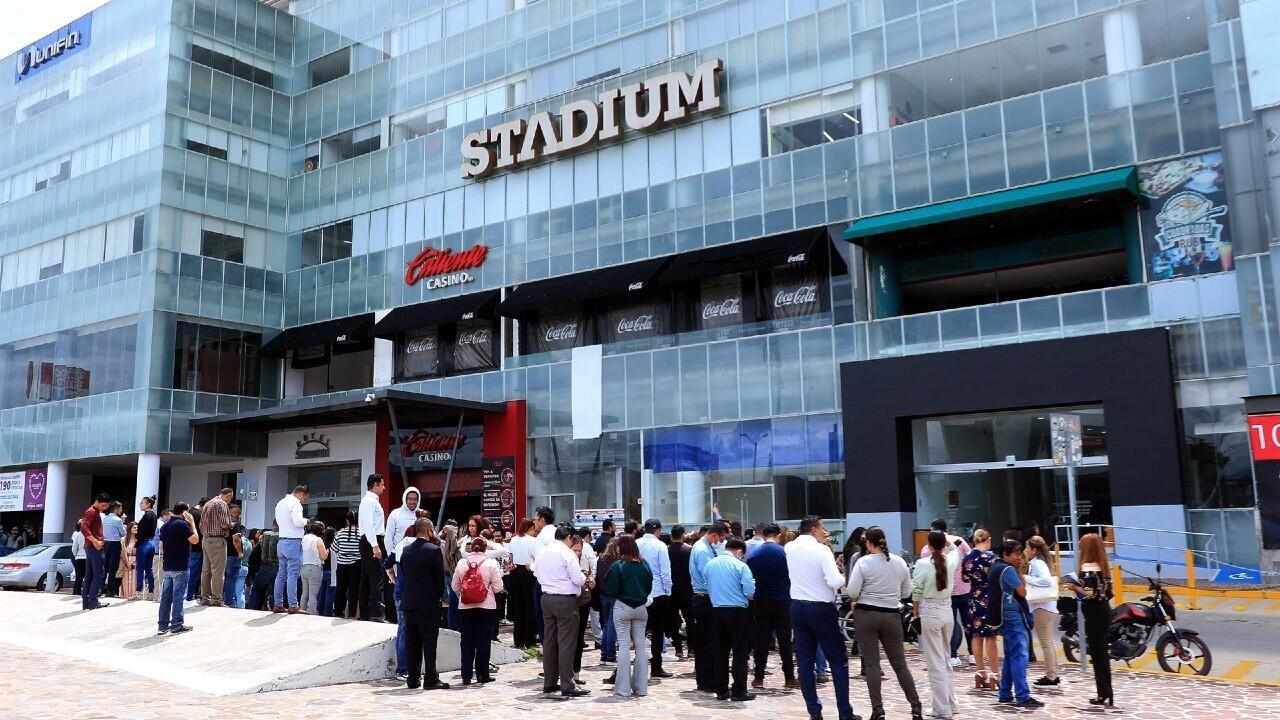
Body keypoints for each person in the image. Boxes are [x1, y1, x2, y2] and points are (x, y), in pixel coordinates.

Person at [786, 515, 860, 720]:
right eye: (822, 528)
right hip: (821, 607)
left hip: (798, 606)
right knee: (837, 659)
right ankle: (844, 711)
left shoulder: (789, 547)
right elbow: (834, 580)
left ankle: (814, 711)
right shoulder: (821, 550)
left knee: (805, 660)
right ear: (814, 530)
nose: (825, 531)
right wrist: (845, 576)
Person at [848, 526, 921, 720]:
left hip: (866, 614)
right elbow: (906, 592)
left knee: (872, 664)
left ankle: (878, 709)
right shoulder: (899, 562)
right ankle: (915, 705)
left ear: (868, 543)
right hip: (891, 615)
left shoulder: (863, 562)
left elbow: (852, 591)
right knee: (900, 664)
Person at [535, 524, 591, 698]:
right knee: (566, 642)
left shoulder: (543, 552)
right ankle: (567, 683)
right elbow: (578, 579)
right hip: (565, 600)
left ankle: (549, 682)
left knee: (550, 642)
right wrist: (586, 579)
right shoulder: (567, 553)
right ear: (568, 537)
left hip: (546, 597)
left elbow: (537, 574)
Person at [913, 531, 960, 720]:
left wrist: (915, 612)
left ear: (929, 545)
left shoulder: (922, 563)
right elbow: (956, 550)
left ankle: (942, 708)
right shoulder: (951, 560)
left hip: (930, 611)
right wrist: (948, 541)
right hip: (947, 609)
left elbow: (916, 590)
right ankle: (951, 704)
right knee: (945, 659)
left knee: (935, 663)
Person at [991, 538, 1042, 708]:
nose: (1019, 557)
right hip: (1013, 616)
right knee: (1020, 656)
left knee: (1010, 656)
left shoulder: (995, 567)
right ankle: (1022, 695)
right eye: (1016, 554)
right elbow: (1022, 591)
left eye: (1020, 554)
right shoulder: (1008, 570)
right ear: (1006, 554)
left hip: (1002, 616)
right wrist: (1019, 571)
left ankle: (1005, 692)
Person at [744, 523, 797, 690]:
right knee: (785, 640)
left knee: (761, 640)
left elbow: (750, 576)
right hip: (783, 600)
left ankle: (758, 677)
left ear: (763, 535)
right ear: (778, 535)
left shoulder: (754, 554)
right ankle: (789, 677)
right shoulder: (784, 553)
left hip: (761, 599)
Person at [399, 518, 449, 690]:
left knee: (412, 641)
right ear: (428, 530)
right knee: (429, 641)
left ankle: (413, 678)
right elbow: (439, 579)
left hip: (409, 601)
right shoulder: (434, 550)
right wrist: (440, 596)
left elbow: (403, 572)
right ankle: (430, 677)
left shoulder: (406, 550)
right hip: (428, 603)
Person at [1066, 533, 1114, 707]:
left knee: (1097, 654)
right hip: (1104, 610)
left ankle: (1103, 693)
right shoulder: (1103, 567)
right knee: (1103, 653)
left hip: (1093, 613)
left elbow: (1089, 592)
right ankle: (1107, 692)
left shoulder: (1088, 567)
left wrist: (1074, 587)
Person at [602, 533, 653, 698]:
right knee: (641, 647)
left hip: (623, 606)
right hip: (641, 608)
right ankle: (641, 687)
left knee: (624, 646)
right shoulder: (644, 564)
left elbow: (611, 588)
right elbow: (649, 585)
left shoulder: (619, 566)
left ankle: (623, 689)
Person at [706, 537, 756, 702]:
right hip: (737, 611)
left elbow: (707, 584)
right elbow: (749, 591)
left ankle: (721, 689)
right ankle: (739, 690)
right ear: (739, 551)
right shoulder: (740, 566)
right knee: (740, 652)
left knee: (720, 651)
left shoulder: (710, 564)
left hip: (717, 611)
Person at [447, 535, 501, 685]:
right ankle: (482, 674)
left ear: (470, 548)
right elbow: (498, 587)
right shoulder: (491, 563)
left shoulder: (462, 563)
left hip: (465, 607)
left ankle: (466, 674)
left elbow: (455, 586)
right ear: (485, 549)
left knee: (466, 641)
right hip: (486, 606)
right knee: (484, 641)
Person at [919, 518, 973, 668]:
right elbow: (969, 557)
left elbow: (926, 565)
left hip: (944, 592)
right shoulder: (959, 541)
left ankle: (953, 655)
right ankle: (972, 654)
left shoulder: (927, 548)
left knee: (951, 624)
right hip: (964, 588)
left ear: (933, 530)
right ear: (946, 529)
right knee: (968, 622)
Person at [689, 520, 727, 693]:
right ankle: (707, 680)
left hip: (704, 597)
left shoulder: (702, 547)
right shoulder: (703, 550)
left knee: (706, 641)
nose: (721, 542)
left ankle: (707, 679)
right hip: (705, 598)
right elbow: (709, 576)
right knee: (707, 642)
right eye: (721, 539)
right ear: (714, 535)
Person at [962, 529, 1000, 690]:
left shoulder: (967, 557)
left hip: (973, 597)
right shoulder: (991, 557)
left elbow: (965, 578)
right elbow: (997, 577)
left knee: (976, 635)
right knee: (991, 636)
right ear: (988, 539)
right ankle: (995, 674)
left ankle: (980, 672)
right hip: (989, 597)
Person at [636, 518, 674, 679]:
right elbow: (665, 571)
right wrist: (668, 591)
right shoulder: (660, 546)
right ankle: (656, 666)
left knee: (639, 631)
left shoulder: (636, 543)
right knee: (658, 631)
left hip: (639, 592)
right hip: (658, 592)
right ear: (658, 531)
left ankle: (639, 666)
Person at [157, 502, 200, 635]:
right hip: (180, 565)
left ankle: (162, 625)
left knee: (166, 596)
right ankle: (176, 624)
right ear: (185, 512)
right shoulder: (182, 525)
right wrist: (192, 523)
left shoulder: (165, 526)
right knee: (178, 596)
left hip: (168, 565)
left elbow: (161, 546)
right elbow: (195, 540)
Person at [1023, 535, 1060, 687]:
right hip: (1046, 607)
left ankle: (1051, 676)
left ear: (1034, 549)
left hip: (1041, 607)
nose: (1025, 550)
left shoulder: (1037, 563)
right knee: (1049, 642)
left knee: (1046, 643)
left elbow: (1046, 580)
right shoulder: (1042, 562)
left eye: (1027, 547)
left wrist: (1027, 579)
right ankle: (1053, 673)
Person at [274, 485, 310, 613]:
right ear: (301, 494)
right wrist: (306, 521)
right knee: (293, 575)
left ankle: (278, 604)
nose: (303, 501)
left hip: (281, 541)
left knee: (281, 574)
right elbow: (298, 522)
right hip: (293, 541)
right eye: (304, 498)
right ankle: (293, 605)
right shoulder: (296, 504)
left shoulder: (280, 503)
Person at [506, 518, 540, 648]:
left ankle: (518, 640)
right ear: (531, 528)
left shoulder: (514, 540)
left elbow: (510, 557)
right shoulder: (533, 541)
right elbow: (537, 558)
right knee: (530, 607)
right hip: (528, 572)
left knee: (518, 606)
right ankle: (529, 640)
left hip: (515, 573)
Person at [358, 474, 387, 621]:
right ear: (375, 485)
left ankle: (366, 613)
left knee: (367, 577)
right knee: (376, 577)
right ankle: (376, 613)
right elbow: (369, 525)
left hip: (370, 540)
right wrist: (375, 546)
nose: (384, 488)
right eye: (382, 485)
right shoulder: (368, 501)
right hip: (372, 540)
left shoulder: (371, 501)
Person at [198, 487, 233, 606]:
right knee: (218, 570)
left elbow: (201, 524)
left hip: (206, 539)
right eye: (230, 498)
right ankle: (216, 599)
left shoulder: (208, 504)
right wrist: (231, 524)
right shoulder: (222, 504)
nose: (230, 501)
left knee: (206, 570)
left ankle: (204, 598)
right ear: (228, 495)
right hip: (217, 540)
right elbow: (224, 524)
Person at [80, 494, 110, 610]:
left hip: (90, 546)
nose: (105, 508)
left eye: (106, 506)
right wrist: (95, 540)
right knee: (98, 573)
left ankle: (86, 601)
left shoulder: (94, 511)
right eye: (103, 505)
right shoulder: (92, 511)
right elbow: (84, 527)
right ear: (97, 502)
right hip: (94, 547)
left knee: (89, 574)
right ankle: (93, 600)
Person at [668, 524, 694, 660]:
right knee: (690, 620)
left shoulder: (666, 549)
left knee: (673, 620)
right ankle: (691, 648)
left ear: (671, 536)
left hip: (671, 588)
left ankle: (678, 648)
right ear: (683, 535)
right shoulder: (689, 550)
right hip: (686, 588)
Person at [596, 537, 621, 668]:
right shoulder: (618, 560)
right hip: (614, 594)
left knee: (606, 624)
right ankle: (610, 655)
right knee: (612, 625)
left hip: (602, 594)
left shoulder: (601, 558)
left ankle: (604, 654)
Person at [332, 511, 361, 618]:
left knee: (340, 589)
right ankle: (352, 613)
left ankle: (338, 612)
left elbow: (334, 549)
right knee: (354, 590)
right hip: (356, 564)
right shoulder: (361, 533)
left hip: (342, 564)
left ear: (347, 520)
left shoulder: (340, 532)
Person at [300, 520, 329, 614]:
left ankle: (302, 612)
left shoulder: (304, 538)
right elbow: (324, 556)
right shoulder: (318, 540)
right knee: (313, 595)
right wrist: (327, 551)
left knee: (305, 593)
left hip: (303, 567)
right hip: (315, 568)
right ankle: (312, 615)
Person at [249, 525, 279, 611]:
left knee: (257, 589)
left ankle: (253, 608)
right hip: (278, 566)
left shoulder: (265, 536)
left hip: (264, 565)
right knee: (276, 590)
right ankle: (275, 607)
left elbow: (253, 554)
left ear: (273, 525)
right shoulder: (283, 536)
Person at [222, 503, 246, 607]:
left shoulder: (224, 523)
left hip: (224, 553)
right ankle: (229, 601)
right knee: (231, 578)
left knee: (225, 578)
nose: (239, 515)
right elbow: (236, 539)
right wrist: (240, 553)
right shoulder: (235, 524)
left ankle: (223, 599)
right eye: (238, 513)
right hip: (233, 555)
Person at [135, 497, 158, 600]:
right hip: (152, 543)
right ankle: (151, 592)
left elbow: (141, 533)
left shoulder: (146, 516)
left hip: (144, 544)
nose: (140, 504)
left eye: (142, 503)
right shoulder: (154, 515)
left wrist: (137, 543)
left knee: (140, 568)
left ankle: (138, 592)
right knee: (149, 568)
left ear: (148, 504)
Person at [385, 486, 422, 550]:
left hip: (418, 553)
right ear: (405, 499)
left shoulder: (422, 514)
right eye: (410, 499)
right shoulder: (395, 514)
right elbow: (388, 537)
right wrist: (391, 553)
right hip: (399, 553)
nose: (412, 502)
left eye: (415, 499)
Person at [102, 501, 125, 597]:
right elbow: (123, 533)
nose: (121, 511)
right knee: (113, 568)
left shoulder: (105, 519)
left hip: (106, 542)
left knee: (105, 567)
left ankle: (100, 588)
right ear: (116, 509)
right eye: (120, 509)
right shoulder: (117, 520)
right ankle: (110, 590)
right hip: (115, 543)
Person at [185, 499, 205, 601]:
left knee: (188, 572)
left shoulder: (189, 513)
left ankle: (188, 595)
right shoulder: (199, 515)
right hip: (197, 548)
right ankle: (189, 596)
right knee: (193, 574)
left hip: (188, 548)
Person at [118, 522, 138, 599]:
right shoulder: (124, 539)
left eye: (137, 528)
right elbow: (122, 552)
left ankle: (133, 595)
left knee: (134, 579)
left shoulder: (138, 540)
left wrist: (132, 562)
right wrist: (127, 562)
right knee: (125, 580)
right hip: (125, 562)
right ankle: (125, 596)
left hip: (135, 561)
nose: (136, 529)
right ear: (130, 529)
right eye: (134, 527)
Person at [71, 520, 87, 597]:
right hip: (87, 557)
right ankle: (85, 592)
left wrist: (76, 555)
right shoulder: (90, 534)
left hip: (79, 557)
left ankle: (77, 592)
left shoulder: (78, 534)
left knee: (79, 577)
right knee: (88, 576)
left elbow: (74, 548)